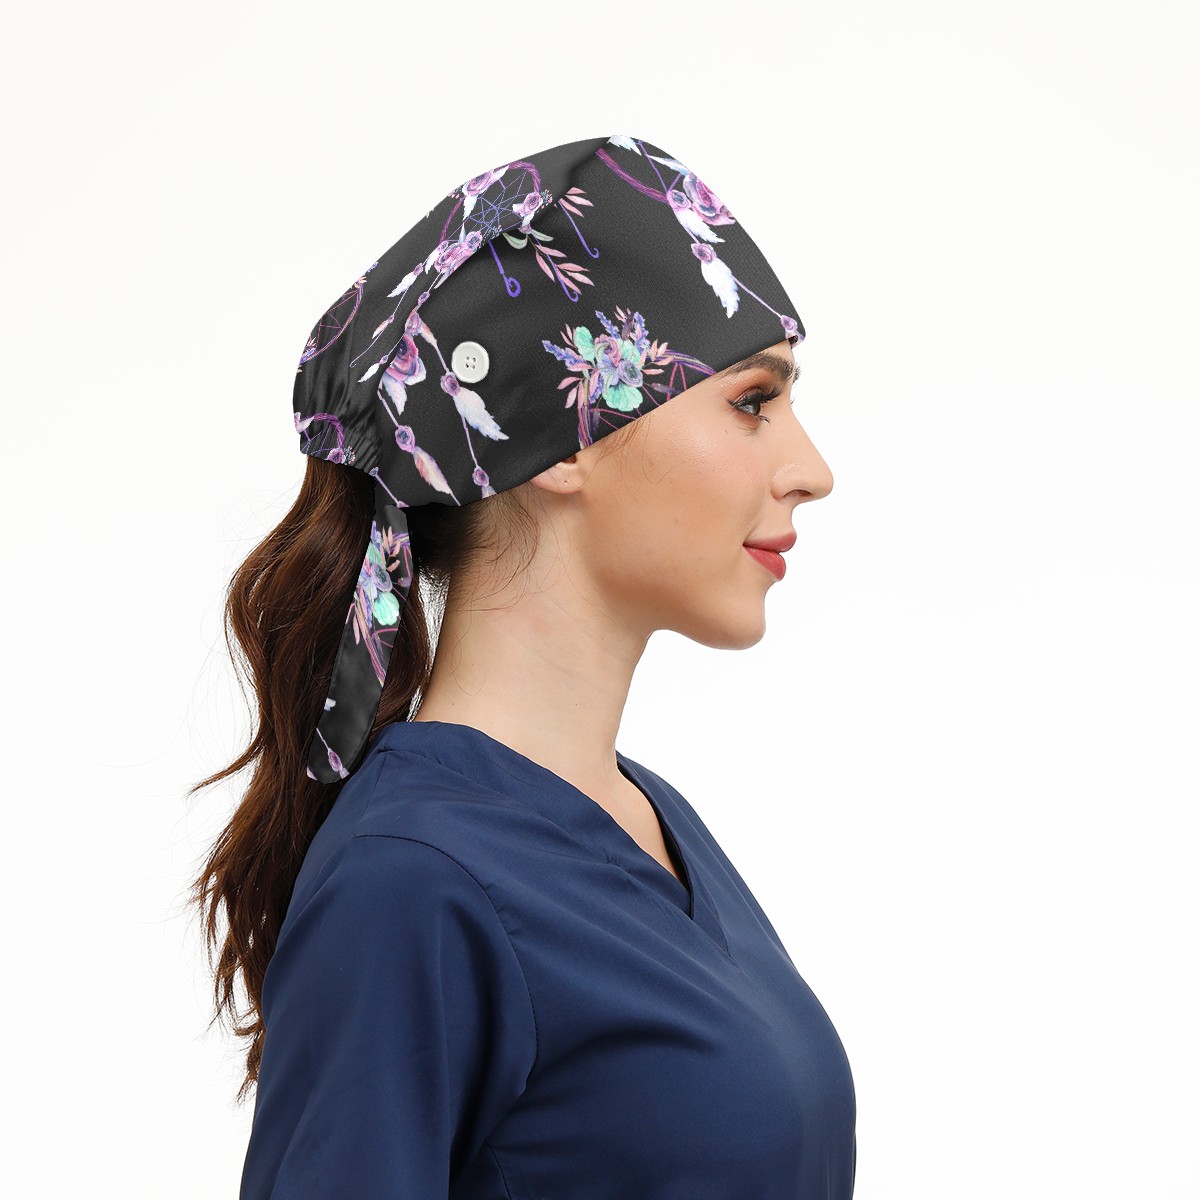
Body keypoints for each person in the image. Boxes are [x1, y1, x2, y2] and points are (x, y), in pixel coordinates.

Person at [189, 133, 857, 1198]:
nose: (810, 470)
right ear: (565, 436)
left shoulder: (648, 820)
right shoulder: (412, 880)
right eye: (751, 402)